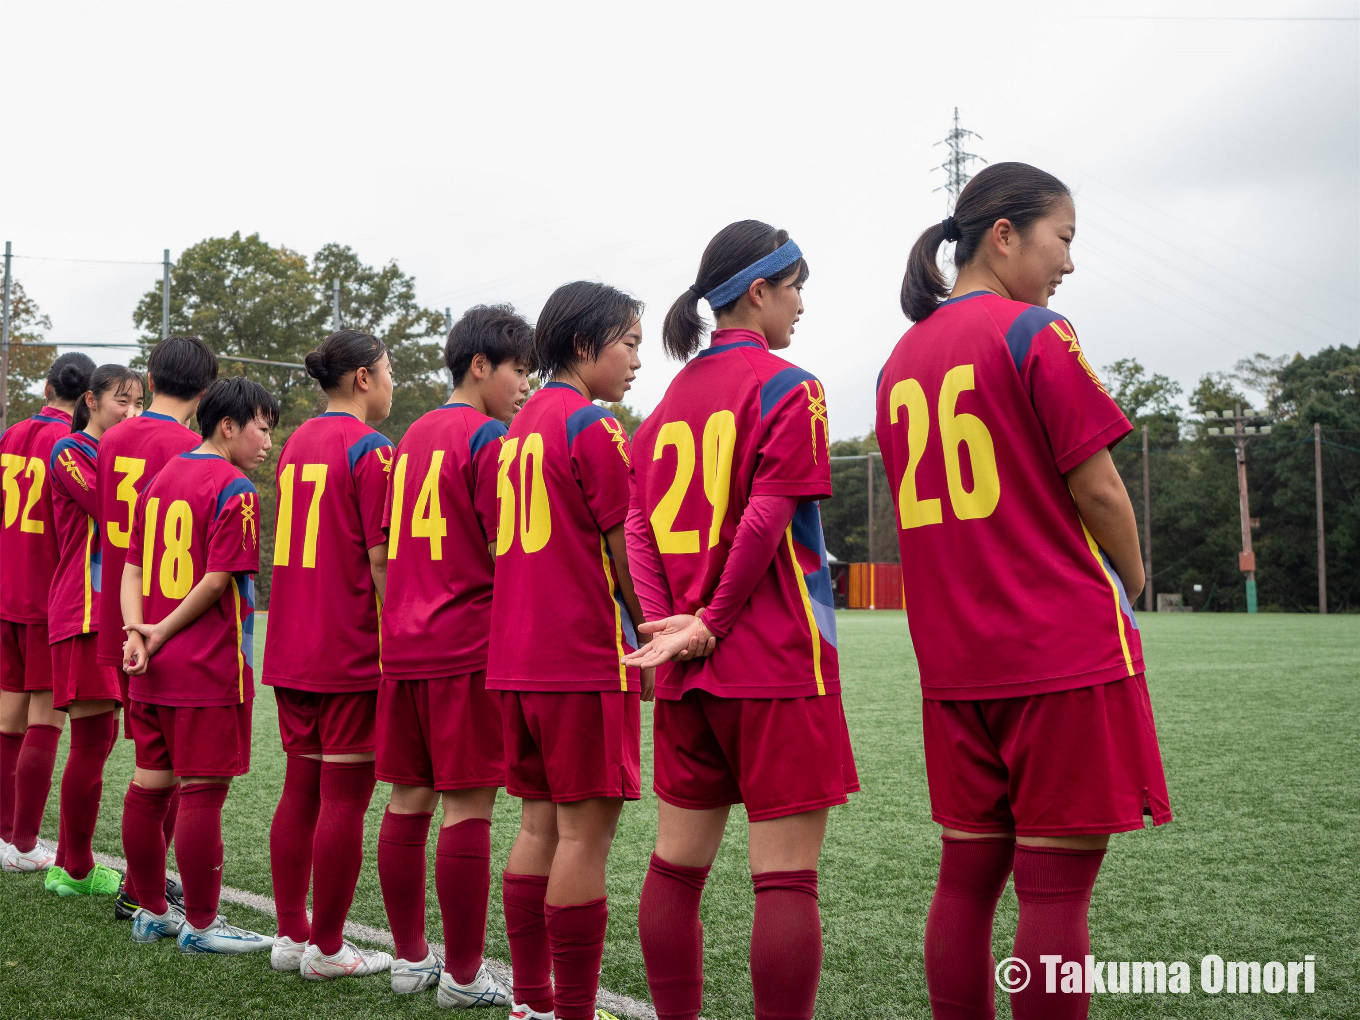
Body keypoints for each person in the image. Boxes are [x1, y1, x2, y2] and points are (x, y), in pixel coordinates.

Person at [876, 162, 1172, 1020]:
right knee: (1053, 898)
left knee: (964, 884)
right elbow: (1102, 488)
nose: (1069, 264)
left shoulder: (899, 361)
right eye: (1064, 239)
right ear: (1004, 234)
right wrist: (1136, 578)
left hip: (955, 663)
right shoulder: (1034, 333)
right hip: (1059, 654)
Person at [623, 221, 858, 1020]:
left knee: (676, 868)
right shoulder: (792, 387)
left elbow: (637, 529)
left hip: (686, 672)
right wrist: (710, 621)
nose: (800, 307)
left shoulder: (658, 412)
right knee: (785, 878)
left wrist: (665, 627)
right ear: (757, 292)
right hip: (775, 662)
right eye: (795, 289)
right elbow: (764, 521)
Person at [486, 281, 650, 1020]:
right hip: (580, 657)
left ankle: (531, 1001)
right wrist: (655, 634)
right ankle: (572, 1010)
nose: (637, 360)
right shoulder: (593, 426)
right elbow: (625, 554)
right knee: (584, 837)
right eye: (630, 343)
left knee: (536, 827)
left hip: (516, 658)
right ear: (584, 346)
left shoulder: (516, 430)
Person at [376, 304, 534, 1005]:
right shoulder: (490, 439)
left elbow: (382, 547)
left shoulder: (409, 437)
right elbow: (511, 547)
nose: (526, 386)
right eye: (520, 370)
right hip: (467, 643)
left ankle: (411, 959)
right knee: (468, 807)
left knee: (408, 803)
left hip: (404, 645)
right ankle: (465, 976)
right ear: (480, 365)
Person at [120, 375, 278, 954]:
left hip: (152, 665)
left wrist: (138, 631)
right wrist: (157, 630)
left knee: (149, 788)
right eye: (262, 428)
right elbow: (217, 580)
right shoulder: (234, 488)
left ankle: (154, 911)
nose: (267, 441)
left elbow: (132, 567)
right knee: (202, 794)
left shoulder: (162, 479)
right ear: (229, 425)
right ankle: (205, 926)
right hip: (206, 664)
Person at [262, 330, 396, 980]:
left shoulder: (296, 444)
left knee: (300, 790)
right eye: (389, 370)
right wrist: (400, 636)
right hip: (347, 648)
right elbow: (379, 560)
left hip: (291, 644)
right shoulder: (372, 450)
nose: (393, 382)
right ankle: (329, 947)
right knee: (344, 798)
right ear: (365, 378)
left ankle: (292, 935)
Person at [94, 334, 217, 920]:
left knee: (149, 759)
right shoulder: (189, 445)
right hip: (167, 615)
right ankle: (143, 889)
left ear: (150, 375)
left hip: (119, 606)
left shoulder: (109, 437)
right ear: (206, 387)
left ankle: (142, 885)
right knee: (163, 766)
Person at [44, 365, 144, 897]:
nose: (131, 412)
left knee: (100, 738)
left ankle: (66, 863)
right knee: (91, 740)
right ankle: (77, 869)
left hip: (115, 610)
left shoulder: (120, 453)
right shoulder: (70, 451)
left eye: (139, 403)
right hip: (85, 607)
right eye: (120, 401)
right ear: (91, 399)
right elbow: (116, 513)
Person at [1, 352, 96, 874]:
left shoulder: (11, 435)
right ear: (88, 397)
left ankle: (5, 834)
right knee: (45, 720)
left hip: (6, 591)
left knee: (7, 719)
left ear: (45, 386)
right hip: (47, 595)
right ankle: (23, 844)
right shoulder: (72, 447)